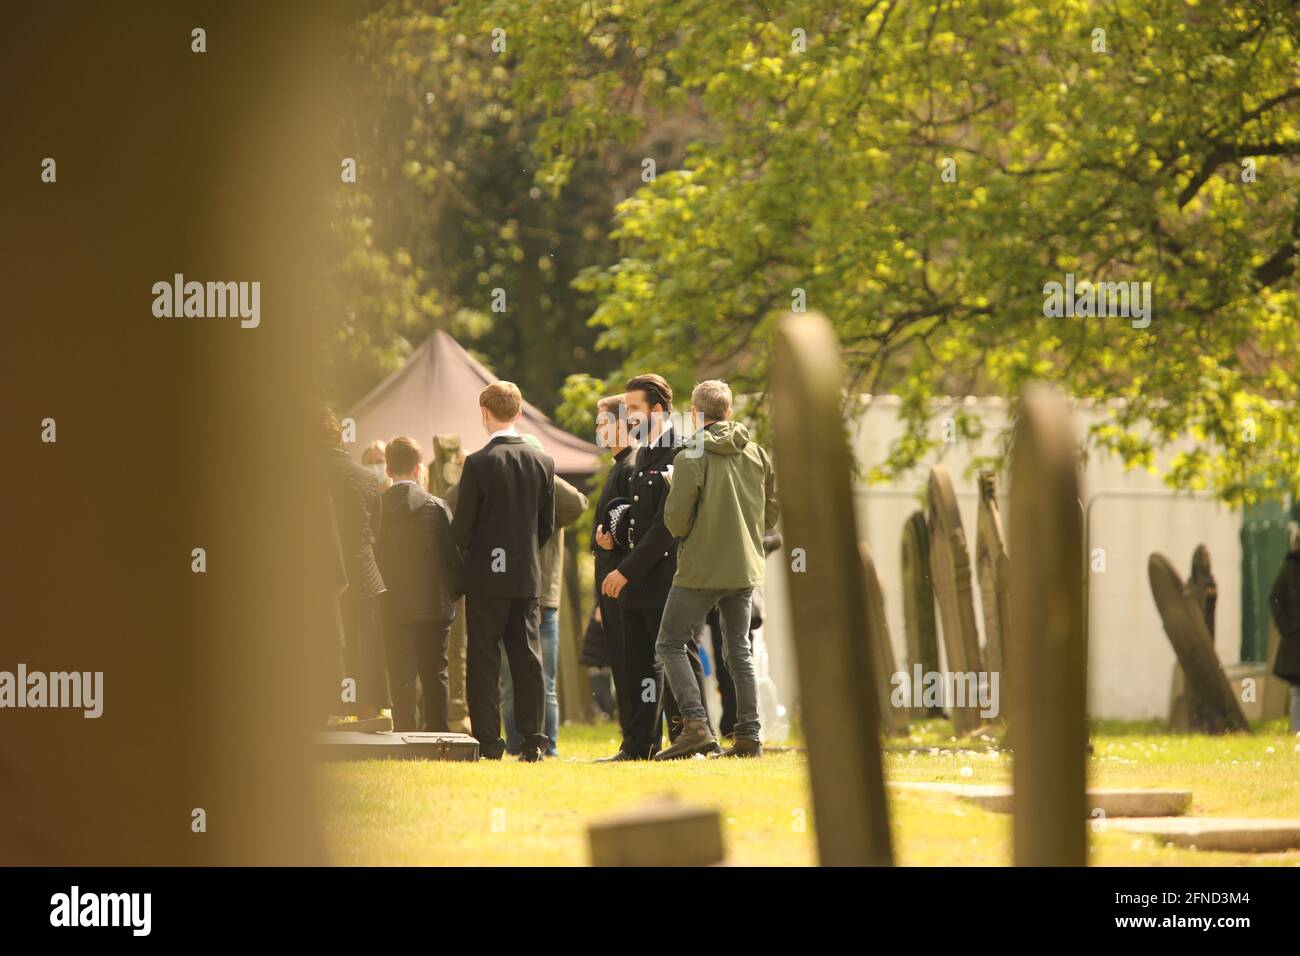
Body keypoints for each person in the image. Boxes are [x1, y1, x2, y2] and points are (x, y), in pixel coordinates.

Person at [653, 380, 779, 760]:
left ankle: (695, 726)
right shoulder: (756, 453)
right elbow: (770, 513)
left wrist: (676, 490)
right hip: (744, 568)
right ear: (728, 411)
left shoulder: (690, 454)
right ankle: (749, 736)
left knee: (670, 642)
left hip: (700, 568)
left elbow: (676, 522)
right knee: (738, 650)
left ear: (695, 414)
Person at [598, 374, 713, 760]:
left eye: (634, 409)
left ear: (658, 410)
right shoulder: (644, 452)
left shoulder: (682, 451)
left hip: (669, 577)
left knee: (678, 655)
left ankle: (693, 738)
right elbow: (641, 517)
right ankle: (640, 744)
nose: (628, 416)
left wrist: (625, 570)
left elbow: (667, 526)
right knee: (639, 663)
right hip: (639, 578)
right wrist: (615, 531)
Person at [451, 382, 556, 762]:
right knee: (528, 660)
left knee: (483, 661)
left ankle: (489, 743)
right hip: (526, 577)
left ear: (484, 411)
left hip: (486, 578)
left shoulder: (478, 463)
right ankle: (533, 740)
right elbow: (545, 525)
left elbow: (462, 529)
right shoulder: (543, 462)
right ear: (520, 412)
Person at [497, 434, 588, 756]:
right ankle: (518, 745)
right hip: (513, 595)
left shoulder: (552, 496)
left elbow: (579, 504)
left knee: (543, 680)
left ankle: (547, 747)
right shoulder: (508, 493)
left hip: (544, 598)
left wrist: (545, 471)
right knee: (510, 679)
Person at [374, 436, 462, 732]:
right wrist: (453, 594)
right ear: (418, 468)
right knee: (436, 672)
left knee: (401, 674)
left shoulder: (378, 509)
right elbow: (454, 557)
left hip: (392, 606)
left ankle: (403, 732)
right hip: (434, 606)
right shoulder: (437, 508)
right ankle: (438, 732)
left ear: (388, 469)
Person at [320, 407, 390, 722]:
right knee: (365, 649)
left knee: (329, 645)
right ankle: (369, 711)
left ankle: (330, 710)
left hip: (322, 578)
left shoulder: (305, 475)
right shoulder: (366, 478)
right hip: (364, 574)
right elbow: (375, 530)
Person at [588, 394, 638, 749]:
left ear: (622, 424)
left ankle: (637, 740)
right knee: (620, 663)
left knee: (629, 663)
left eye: (602, 423)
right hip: (610, 584)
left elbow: (636, 528)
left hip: (623, 583)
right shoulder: (619, 465)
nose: (597, 430)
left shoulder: (631, 466)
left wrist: (611, 545)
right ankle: (631, 739)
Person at [1268, 530, 1300, 732]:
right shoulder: (1291, 567)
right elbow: (1275, 598)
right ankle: (1298, 732)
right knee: (1297, 691)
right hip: (1296, 642)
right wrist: (1289, 629)